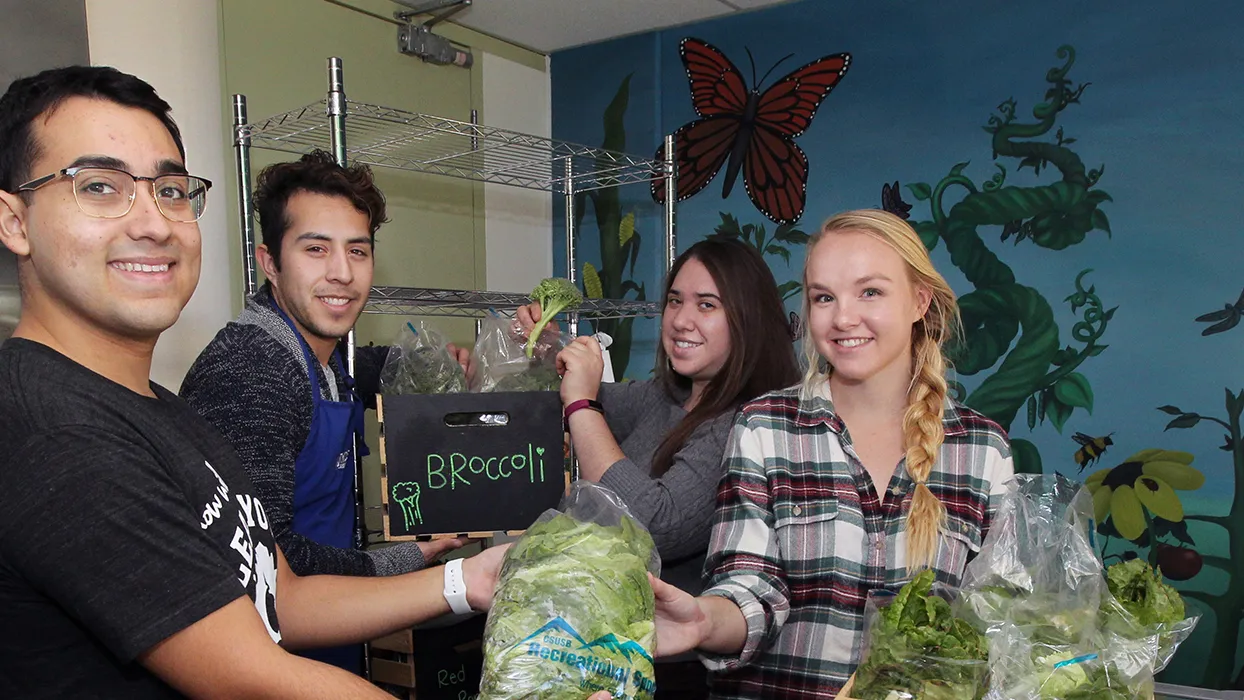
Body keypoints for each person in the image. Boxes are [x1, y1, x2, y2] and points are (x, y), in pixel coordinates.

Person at [0, 65, 517, 699]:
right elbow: (252, 678)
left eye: (169, 191)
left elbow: (280, 599)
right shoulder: (58, 431)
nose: (153, 223)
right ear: (14, 222)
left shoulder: (159, 411)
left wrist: (470, 581)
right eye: (100, 186)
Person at [648, 210, 1015, 698]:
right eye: (824, 297)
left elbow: (1001, 621)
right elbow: (749, 588)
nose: (843, 318)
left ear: (919, 301)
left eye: (870, 292)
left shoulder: (982, 449)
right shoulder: (765, 426)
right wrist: (701, 621)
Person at [179, 151, 468, 672]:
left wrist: (502, 348)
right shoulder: (252, 373)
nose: (342, 274)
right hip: (269, 663)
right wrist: (410, 561)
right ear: (270, 262)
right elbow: (270, 562)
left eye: (357, 251)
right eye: (316, 249)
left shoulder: (327, 359)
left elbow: (383, 368)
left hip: (330, 640)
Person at [519, 235, 801, 698]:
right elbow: (570, 396)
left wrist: (582, 405)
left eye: (707, 305)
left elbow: (657, 524)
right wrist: (550, 349)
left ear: (748, 320)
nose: (682, 320)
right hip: (606, 653)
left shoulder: (746, 422)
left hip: (676, 670)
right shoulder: (665, 398)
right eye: (675, 301)